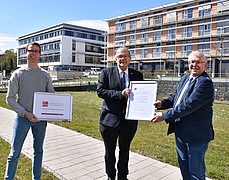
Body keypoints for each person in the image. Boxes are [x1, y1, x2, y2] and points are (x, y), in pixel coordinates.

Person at [151, 51, 214, 180]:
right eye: (192, 62)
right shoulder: (186, 78)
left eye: (198, 62)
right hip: (181, 131)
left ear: (205, 65)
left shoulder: (205, 82)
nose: (194, 65)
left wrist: (164, 116)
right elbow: (177, 98)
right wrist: (162, 104)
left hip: (196, 135)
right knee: (184, 167)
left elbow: (187, 106)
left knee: (196, 172)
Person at [4, 42, 55, 180]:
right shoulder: (18, 73)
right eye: (30, 51)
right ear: (25, 53)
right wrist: (25, 113)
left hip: (40, 120)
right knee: (14, 153)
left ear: (40, 54)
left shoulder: (45, 75)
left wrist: (61, 113)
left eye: (36, 51)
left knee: (38, 152)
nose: (33, 54)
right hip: (22, 119)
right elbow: (10, 99)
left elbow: (52, 97)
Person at [97, 47, 143, 180]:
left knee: (125, 151)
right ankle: (111, 176)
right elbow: (100, 91)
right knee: (109, 152)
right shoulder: (106, 73)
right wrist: (120, 94)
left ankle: (123, 176)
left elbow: (142, 95)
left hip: (129, 121)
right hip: (109, 120)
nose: (123, 59)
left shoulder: (137, 75)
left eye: (125, 56)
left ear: (130, 59)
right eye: (120, 56)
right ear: (116, 59)